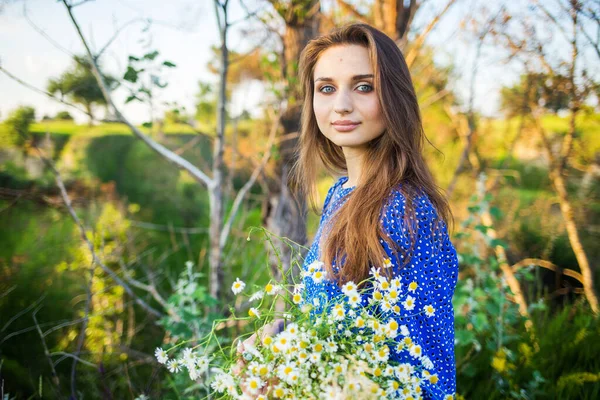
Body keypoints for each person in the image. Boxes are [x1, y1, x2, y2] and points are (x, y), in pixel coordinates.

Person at [237, 22, 459, 399]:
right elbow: (339, 322)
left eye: (363, 86)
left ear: (394, 97)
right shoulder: (342, 193)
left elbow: (423, 378)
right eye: (326, 88)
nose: (340, 104)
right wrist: (275, 341)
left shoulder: (405, 212)